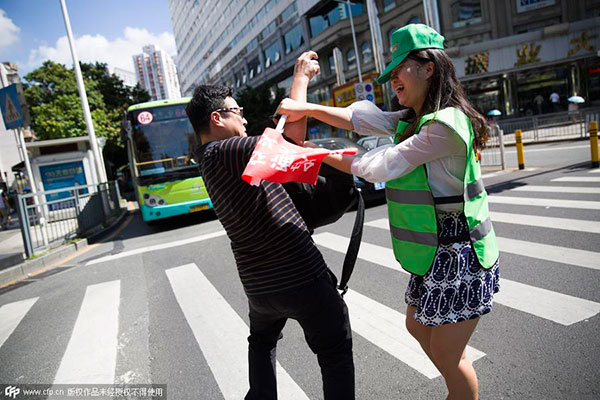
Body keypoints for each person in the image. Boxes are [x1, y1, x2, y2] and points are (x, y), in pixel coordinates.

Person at [278, 24, 500, 400]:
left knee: (448, 354)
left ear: (429, 67)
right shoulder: (416, 118)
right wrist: (307, 108)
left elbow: (381, 164)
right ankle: (458, 388)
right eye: (391, 73)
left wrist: (310, 153)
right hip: (437, 251)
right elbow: (362, 120)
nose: (393, 79)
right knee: (418, 325)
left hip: (462, 253)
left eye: (400, 69)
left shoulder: (445, 124)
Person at [186, 51, 354, 400]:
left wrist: (301, 83)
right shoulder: (227, 151)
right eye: (238, 112)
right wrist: (301, 77)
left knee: (262, 343)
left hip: (260, 287)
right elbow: (289, 142)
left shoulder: (210, 160)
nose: (244, 120)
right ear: (217, 118)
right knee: (335, 352)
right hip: (300, 274)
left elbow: (286, 134)